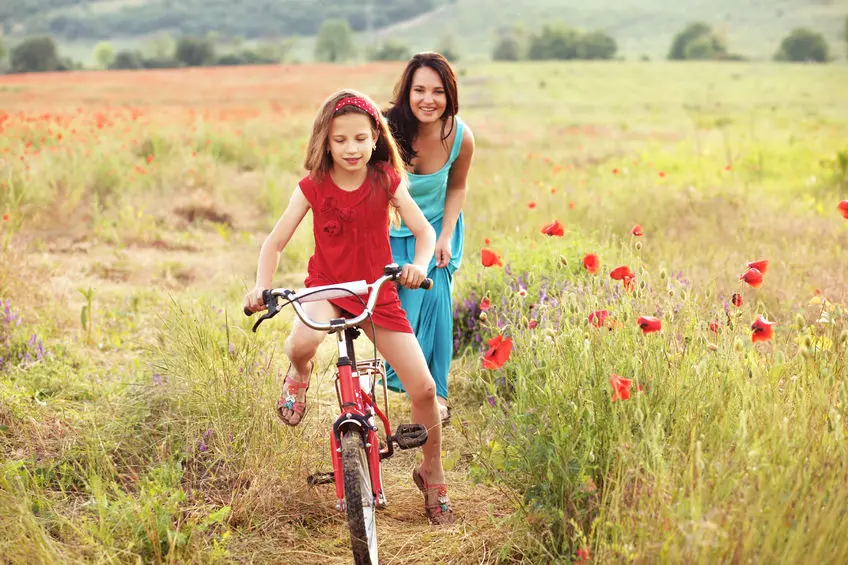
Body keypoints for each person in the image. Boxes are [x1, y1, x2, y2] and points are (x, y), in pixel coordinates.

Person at [243, 89, 454, 525]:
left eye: (360, 138)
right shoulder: (314, 186)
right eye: (340, 140)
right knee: (302, 341)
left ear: (375, 137)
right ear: (326, 141)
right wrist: (261, 287)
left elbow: (424, 232)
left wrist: (416, 265)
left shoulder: (386, 181)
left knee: (426, 390)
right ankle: (299, 374)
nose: (351, 149)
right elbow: (274, 242)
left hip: (376, 289)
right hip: (327, 286)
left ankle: (431, 473)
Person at [382, 52, 475, 425]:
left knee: (435, 301)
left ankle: (437, 396)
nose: (428, 99)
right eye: (419, 89)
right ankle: (386, 385)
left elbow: (458, 187)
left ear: (449, 94)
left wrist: (447, 235)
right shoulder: (383, 129)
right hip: (387, 231)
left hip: (436, 230)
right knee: (393, 311)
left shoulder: (460, 136)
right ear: (406, 92)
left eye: (437, 91)